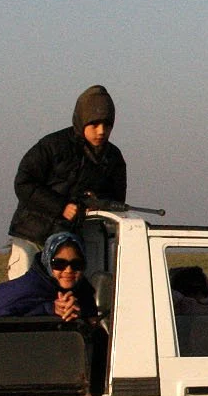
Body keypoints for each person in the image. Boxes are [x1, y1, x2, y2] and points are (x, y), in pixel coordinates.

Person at [8, 85, 126, 280]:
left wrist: (97, 204)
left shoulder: (113, 158)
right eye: (94, 125)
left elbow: (117, 200)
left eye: (107, 125)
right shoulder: (52, 146)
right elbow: (23, 183)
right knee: (25, 298)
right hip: (33, 238)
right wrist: (61, 207)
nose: (101, 131)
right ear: (82, 122)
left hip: (74, 246)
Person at [0, 232, 98, 322]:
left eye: (77, 264)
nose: (68, 270)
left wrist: (78, 310)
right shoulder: (30, 286)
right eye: (59, 264)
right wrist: (49, 309)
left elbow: (93, 318)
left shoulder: (84, 291)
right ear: (47, 263)